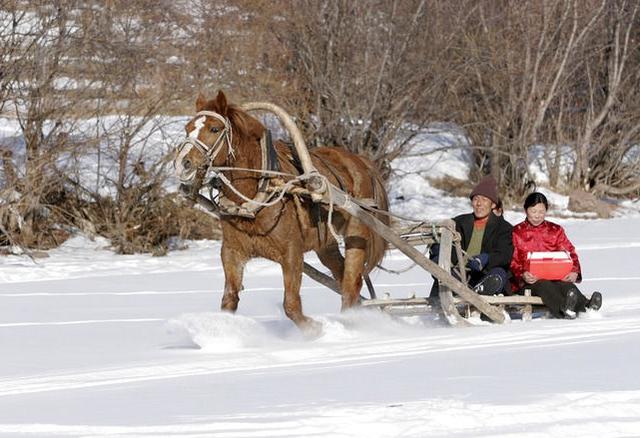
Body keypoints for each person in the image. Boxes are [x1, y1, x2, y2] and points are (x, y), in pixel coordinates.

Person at [510, 192, 602, 319]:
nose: (537, 216)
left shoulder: (555, 230)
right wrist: (522, 274)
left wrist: (574, 271)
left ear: (546, 211)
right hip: (529, 282)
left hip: (555, 277)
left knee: (567, 286)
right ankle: (563, 308)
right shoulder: (517, 232)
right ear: (526, 210)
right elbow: (512, 260)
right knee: (544, 285)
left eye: (541, 212)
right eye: (533, 211)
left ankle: (586, 307)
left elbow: (570, 252)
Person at [430, 175, 514, 298]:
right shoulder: (458, 222)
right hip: (457, 275)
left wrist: (486, 259)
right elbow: (438, 240)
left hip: (484, 275)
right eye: (475, 199)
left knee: (498, 274)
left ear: (493, 205)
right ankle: (464, 293)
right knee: (444, 272)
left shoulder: (504, 228)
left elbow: (504, 254)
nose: (479, 204)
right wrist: (439, 253)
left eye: (484, 200)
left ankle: (478, 294)